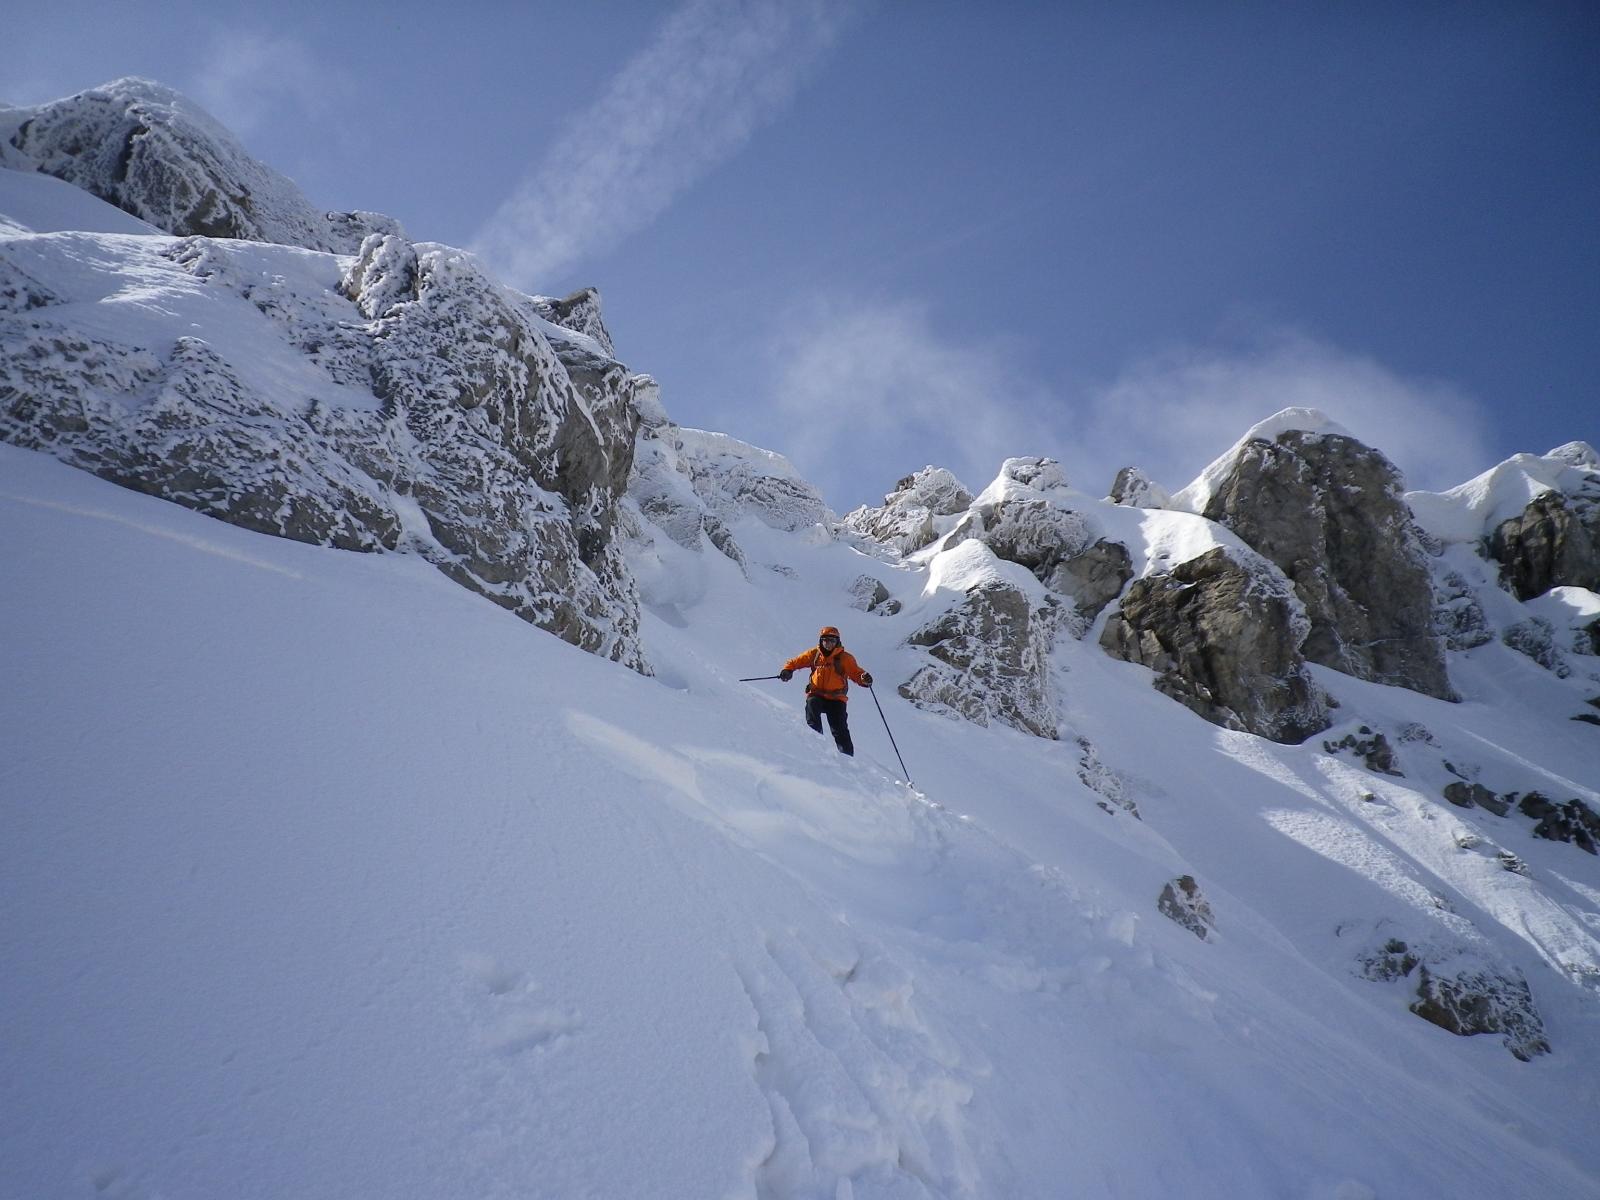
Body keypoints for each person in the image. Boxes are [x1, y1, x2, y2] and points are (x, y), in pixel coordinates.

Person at [780, 626, 873, 755]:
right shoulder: (815, 654)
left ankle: (847, 757)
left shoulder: (845, 658)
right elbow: (796, 661)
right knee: (812, 707)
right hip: (816, 694)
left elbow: (856, 673)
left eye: (832, 641)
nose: (828, 644)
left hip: (836, 698)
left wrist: (864, 679)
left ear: (837, 642)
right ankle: (815, 743)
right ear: (821, 641)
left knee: (839, 728)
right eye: (825, 640)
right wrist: (788, 670)